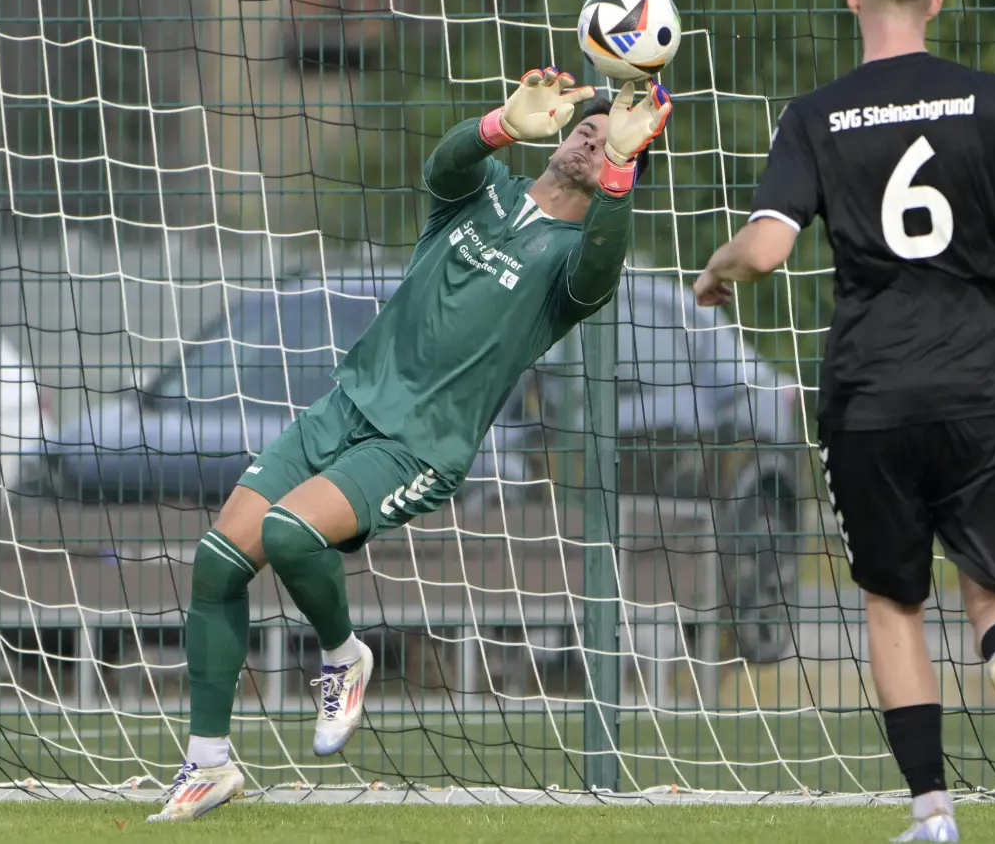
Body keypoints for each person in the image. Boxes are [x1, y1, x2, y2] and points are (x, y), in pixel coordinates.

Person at [147, 68, 671, 822]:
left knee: (292, 535)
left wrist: (620, 169)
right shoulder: (483, 189)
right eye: (586, 127)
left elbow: (598, 270)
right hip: (346, 404)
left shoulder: (571, 258)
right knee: (219, 559)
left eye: (608, 137)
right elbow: (446, 164)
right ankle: (207, 765)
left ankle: (342, 655)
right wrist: (499, 123)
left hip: (418, 445)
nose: (591, 136)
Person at [694, 0, 995, 839]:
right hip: (982, 388)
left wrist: (715, 272)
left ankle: (932, 812)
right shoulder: (993, 97)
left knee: (892, 604)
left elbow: (763, 252)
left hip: (872, 397)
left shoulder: (818, 114)